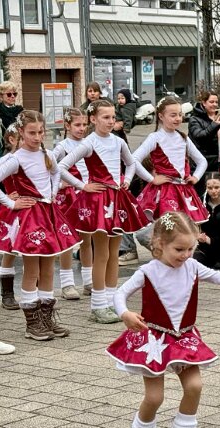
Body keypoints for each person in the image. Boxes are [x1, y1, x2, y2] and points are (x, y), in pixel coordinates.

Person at [106, 212, 220, 428]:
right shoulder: (147, 271)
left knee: (195, 386)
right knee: (155, 397)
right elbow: (119, 295)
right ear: (160, 244)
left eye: (190, 249)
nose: (185, 255)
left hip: (184, 337)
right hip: (154, 340)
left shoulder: (192, 266)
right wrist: (125, 314)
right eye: (179, 249)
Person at [59, 99, 150, 324]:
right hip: (98, 201)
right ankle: (98, 305)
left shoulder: (118, 142)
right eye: (105, 117)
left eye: (112, 117)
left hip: (117, 197)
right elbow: (60, 167)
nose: (110, 122)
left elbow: (131, 163)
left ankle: (111, 301)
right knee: (102, 253)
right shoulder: (89, 143)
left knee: (114, 253)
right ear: (93, 119)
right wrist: (83, 186)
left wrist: (127, 180)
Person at [0, 110, 81, 341]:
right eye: (31, 133)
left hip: (49, 214)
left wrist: (53, 192)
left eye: (41, 132)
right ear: (21, 133)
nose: (37, 137)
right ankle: (32, 323)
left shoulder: (47, 155)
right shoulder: (15, 159)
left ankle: (46, 318)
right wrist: (11, 203)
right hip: (30, 218)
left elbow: (57, 173)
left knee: (47, 268)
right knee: (32, 269)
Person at [133, 96, 209, 227]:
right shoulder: (155, 138)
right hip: (163, 192)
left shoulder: (183, 138)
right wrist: (152, 179)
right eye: (173, 115)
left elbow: (202, 161)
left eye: (180, 114)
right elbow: (133, 160)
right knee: (168, 228)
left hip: (184, 190)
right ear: (161, 116)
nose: (178, 118)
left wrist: (195, 177)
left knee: (184, 229)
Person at [50, 108, 94, 300]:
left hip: (85, 195)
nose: (82, 128)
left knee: (86, 239)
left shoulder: (90, 143)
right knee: (67, 241)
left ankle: (88, 281)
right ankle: (67, 284)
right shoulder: (61, 148)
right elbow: (50, 171)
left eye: (84, 124)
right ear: (67, 126)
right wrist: (60, 184)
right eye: (77, 125)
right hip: (67, 197)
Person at [0, 124, 21, 313]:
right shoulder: (7, 160)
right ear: (12, 140)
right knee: (11, 251)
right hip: (14, 210)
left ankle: (36, 293)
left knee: (36, 251)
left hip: (33, 208)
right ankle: (7, 293)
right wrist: (8, 198)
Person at [189, 90, 220, 179]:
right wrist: (215, 125)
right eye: (211, 102)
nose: (215, 104)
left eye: (216, 102)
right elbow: (200, 137)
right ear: (204, 103)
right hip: (207, 163)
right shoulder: (195, 119)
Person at [0, 81, 24, 154]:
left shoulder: (21, 111)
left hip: (20, 147)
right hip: (3, 149)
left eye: (14, 94)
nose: (12, 96)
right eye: (9, 94)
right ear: (1, 96)